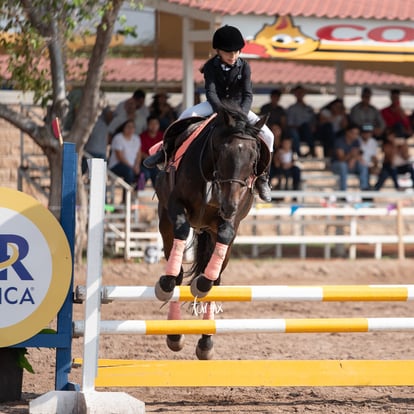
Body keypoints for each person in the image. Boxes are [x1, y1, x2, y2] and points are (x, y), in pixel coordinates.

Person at [144, 25, 274, 202]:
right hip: (214, 105)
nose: (233, 56)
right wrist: (221, 112)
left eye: (236, 52)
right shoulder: (211, 67)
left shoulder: (245, 67)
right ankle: (164, 153)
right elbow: (211, 93)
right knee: (184, 117)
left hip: (239, 108)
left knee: (269, 135)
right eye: (228, 52)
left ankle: (263, 178)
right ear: (218, 50)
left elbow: (247, 94)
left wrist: (240, 114)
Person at [331, 123, 370, 192]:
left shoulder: (356, 141)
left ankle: (364, 188)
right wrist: (351, 155)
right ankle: (343, 190)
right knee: (343, 165)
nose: (355, 135)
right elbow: (341, 159)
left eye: (357, 134)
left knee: (363, 165)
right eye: (353, 133)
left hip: (350, 165)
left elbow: (357, 155)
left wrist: (353, 159)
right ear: (347, 132)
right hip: (337, 166)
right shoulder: (339, 141)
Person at [107, 119, 141, 188]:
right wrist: (132, 167)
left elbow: (139, 153)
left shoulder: (136, 138)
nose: (130, 129)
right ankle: (126, 196)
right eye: (128, 127)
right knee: (129, 172)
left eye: (132, 127)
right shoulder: (118, 138)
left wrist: (137, 165)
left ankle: (135, 193)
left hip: (132, 166)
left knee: (144, 173)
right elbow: (119, 156)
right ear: (123, 128)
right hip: (116, 165)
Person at [286, 85, 317, 157]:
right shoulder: (291, 108)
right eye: (298, 93)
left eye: (301, 92)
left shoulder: (309, 108)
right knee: (294, 132)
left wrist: (313, 127)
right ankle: (299, 153)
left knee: (306, 127)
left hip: (308, 131)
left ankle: (312, 150)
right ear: (295, 94)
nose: (300, 94)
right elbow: (289, 123)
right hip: (296, 130)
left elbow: (313, 121)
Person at [82, 106, 113, 175]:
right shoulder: (89, 120)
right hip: (89, 151)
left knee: (99, 177)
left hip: (102, 153)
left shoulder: (106, 122)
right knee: (84, 173)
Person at [140, 115, 164, 188]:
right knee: (145, 174)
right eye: (151, 124)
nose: (154, 126)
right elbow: (140, 153)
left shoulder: (162, 135)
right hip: (145, 163)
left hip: (159, 163)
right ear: (147, 125)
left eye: (156, 124)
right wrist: (152, 159)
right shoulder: (142, 136)